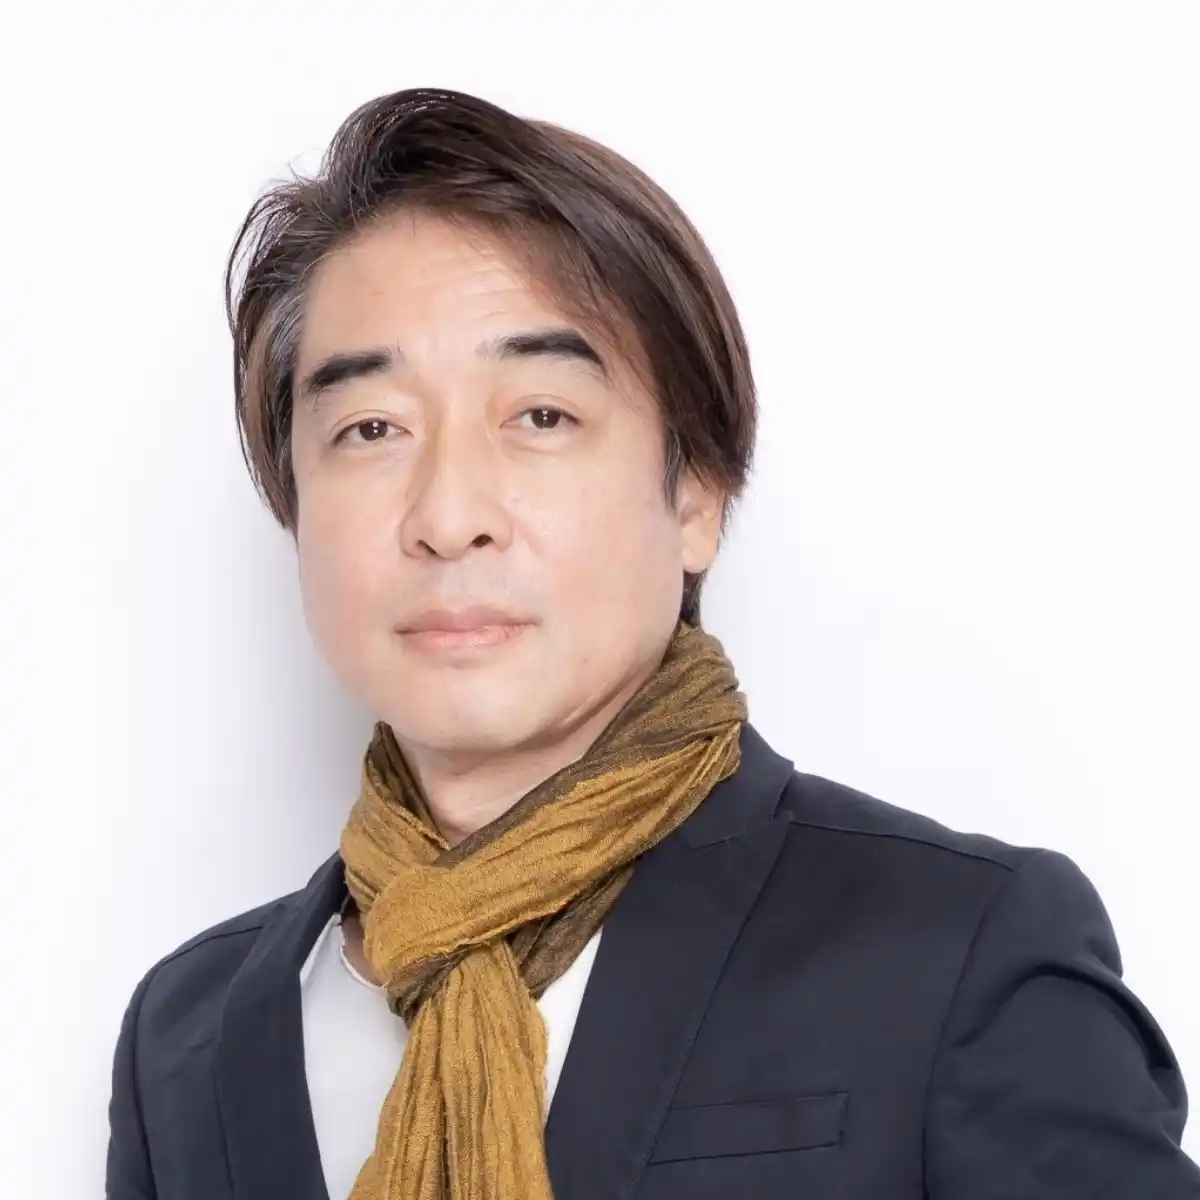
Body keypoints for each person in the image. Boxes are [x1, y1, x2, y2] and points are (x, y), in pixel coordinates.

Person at [104, 86, 1199, 1200]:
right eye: (370, 427)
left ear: (696, 496)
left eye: (541, 416)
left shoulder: (955, 954)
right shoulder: (192, 1036)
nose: (447, 514)